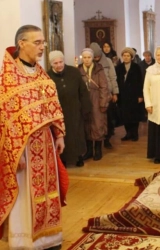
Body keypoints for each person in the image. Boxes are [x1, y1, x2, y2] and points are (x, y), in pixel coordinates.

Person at [0, 25, 65, 249]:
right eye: (37, 42)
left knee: (48, 191)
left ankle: (49, 238)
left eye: (43, 42)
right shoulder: (8, 78)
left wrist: (59, 133)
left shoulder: (40, 73)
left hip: (45, 144)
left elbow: (52, 105)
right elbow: (5, 121)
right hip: (23, 148)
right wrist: (14, 153)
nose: (42, 47)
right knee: (25, 195)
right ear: (22, 44)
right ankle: (25, 240)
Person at [47, 50, 92, 167]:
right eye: (55, 63)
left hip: (75, 110)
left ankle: (79, 157)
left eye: (61, 62)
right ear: (51, 64)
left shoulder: (74, 72)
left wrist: (86, 108)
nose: (59, 65)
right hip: (59, 113)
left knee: (77, 134)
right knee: (63, 135)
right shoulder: (47, 76)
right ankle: (63, 159)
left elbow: (83, 91)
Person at [78, 48, 109, 161]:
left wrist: (103, 102)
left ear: (92, 58)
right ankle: (89, 150)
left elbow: (104, 87)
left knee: (98, 124)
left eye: (89, 57)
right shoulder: (79, 70)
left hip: (96, 99)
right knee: (86, 124)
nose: (86, 60)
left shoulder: (98, 70)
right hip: (84, 100)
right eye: (84, 57)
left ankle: (98, 150)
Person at [90, 42, 119, 149]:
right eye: (95, 57)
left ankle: (107, 138)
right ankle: (96, 138)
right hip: (94, 95)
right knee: (96, 119)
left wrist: (115, 93)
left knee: (109, 118)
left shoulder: (108, 61)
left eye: (98, 56)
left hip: (108, 94)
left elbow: (113, 77)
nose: (96, 58)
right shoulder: (89, 61)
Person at [115, 47, 144, 141]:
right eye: (124, 55)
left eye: (128, 56)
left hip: (134, 95)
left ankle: (135, 134)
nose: (126, 57)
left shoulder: (136, 67)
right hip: (123, 95)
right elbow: (116, 81)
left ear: (131, 57)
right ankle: (128, 133)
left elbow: (140, 82)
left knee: (134, 115)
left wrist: (140, 95)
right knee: (125, 115)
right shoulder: (118, 67)